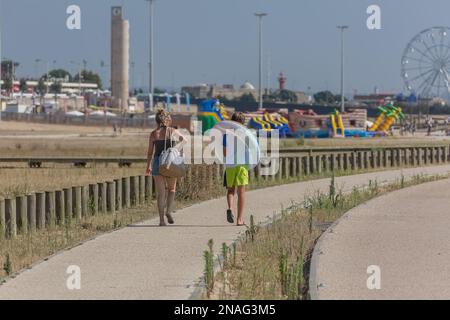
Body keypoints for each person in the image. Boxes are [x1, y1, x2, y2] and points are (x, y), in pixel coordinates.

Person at [145, 109, 185, 226]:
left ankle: (161, 220)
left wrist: (148, 166)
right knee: (172, 189)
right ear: (168, 120)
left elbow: (149, 153)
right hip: (170, 162)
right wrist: (175, 150)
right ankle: (169, 210)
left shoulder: (153, 134)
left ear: (156, 121)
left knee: (161, 193)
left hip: (158, 162)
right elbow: (185, 140)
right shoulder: (172, 131)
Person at [223, 112, 249, 226]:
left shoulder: (227, 135)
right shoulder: (247, 135)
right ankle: (239, 219)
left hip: (230, 165)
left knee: (230, 191)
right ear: (243, 123)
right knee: (241, 192)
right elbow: (252, 150)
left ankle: (230, 208)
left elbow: (224, 152)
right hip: (242, 165)